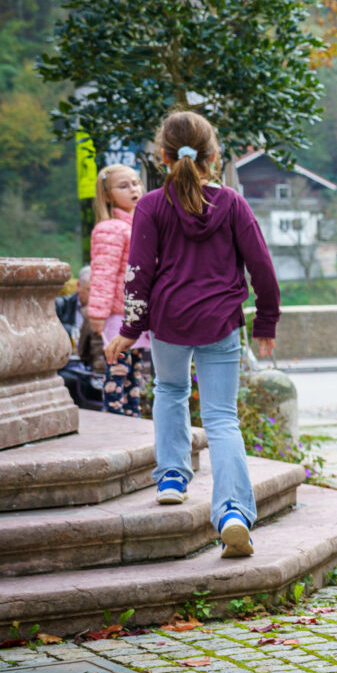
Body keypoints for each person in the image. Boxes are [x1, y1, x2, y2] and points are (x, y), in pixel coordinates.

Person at [107, 110, 280, 558]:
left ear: (162, 157)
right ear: (214, 155)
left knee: (170, 390)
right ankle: (233, 514)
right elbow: (261, 265)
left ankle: (171, 476)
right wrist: (266, 321)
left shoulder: (149, 206)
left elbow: (139, 272)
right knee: (222, 419)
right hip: (221, 320)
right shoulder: (232, 205)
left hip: (169, 320)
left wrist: (129, 329)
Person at [90, 163, 154, 417]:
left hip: (133, 313)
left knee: (133, 372)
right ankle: (115, 417)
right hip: (117, 313)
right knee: (117, 370)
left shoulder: (136, 224)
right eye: (123, 186)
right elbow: (103, 273)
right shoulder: (110, 229)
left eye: (136, 183)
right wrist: (98, 313)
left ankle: (131, 416)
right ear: (107, 195)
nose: (133, 190)